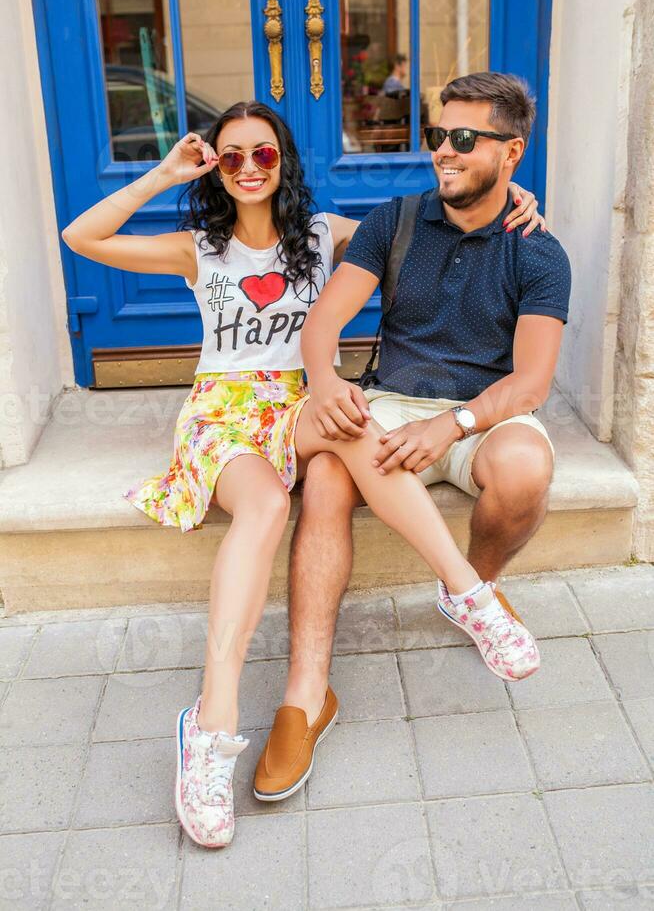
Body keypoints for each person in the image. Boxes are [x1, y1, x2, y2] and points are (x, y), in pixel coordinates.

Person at [61, 98, 544, 849]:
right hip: (225, 411)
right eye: (231, 157)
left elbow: (435, 223)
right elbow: (81, 235)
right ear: (216, 169)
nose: (249, 168)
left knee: (354, 424)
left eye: (263, 154)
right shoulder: (199, 248)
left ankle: (470, 593)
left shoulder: (327, 237)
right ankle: (212, 727)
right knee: (263, 512)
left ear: (284, 161)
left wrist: (512, 192)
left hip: (303, 399)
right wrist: (163, 173)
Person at [253, 72, 572, 806]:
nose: (444, 152)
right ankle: (305, 697)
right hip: (387, 405)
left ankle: (474, 589)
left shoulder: (539, 253)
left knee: (524, 467)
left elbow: (529, 385)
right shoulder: (391, 222)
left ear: (511, 151)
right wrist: (328, 382)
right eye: (437, 136)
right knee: (330, 473)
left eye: (465, 139)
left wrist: (452, 425)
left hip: (480, 414)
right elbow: (323, 324)